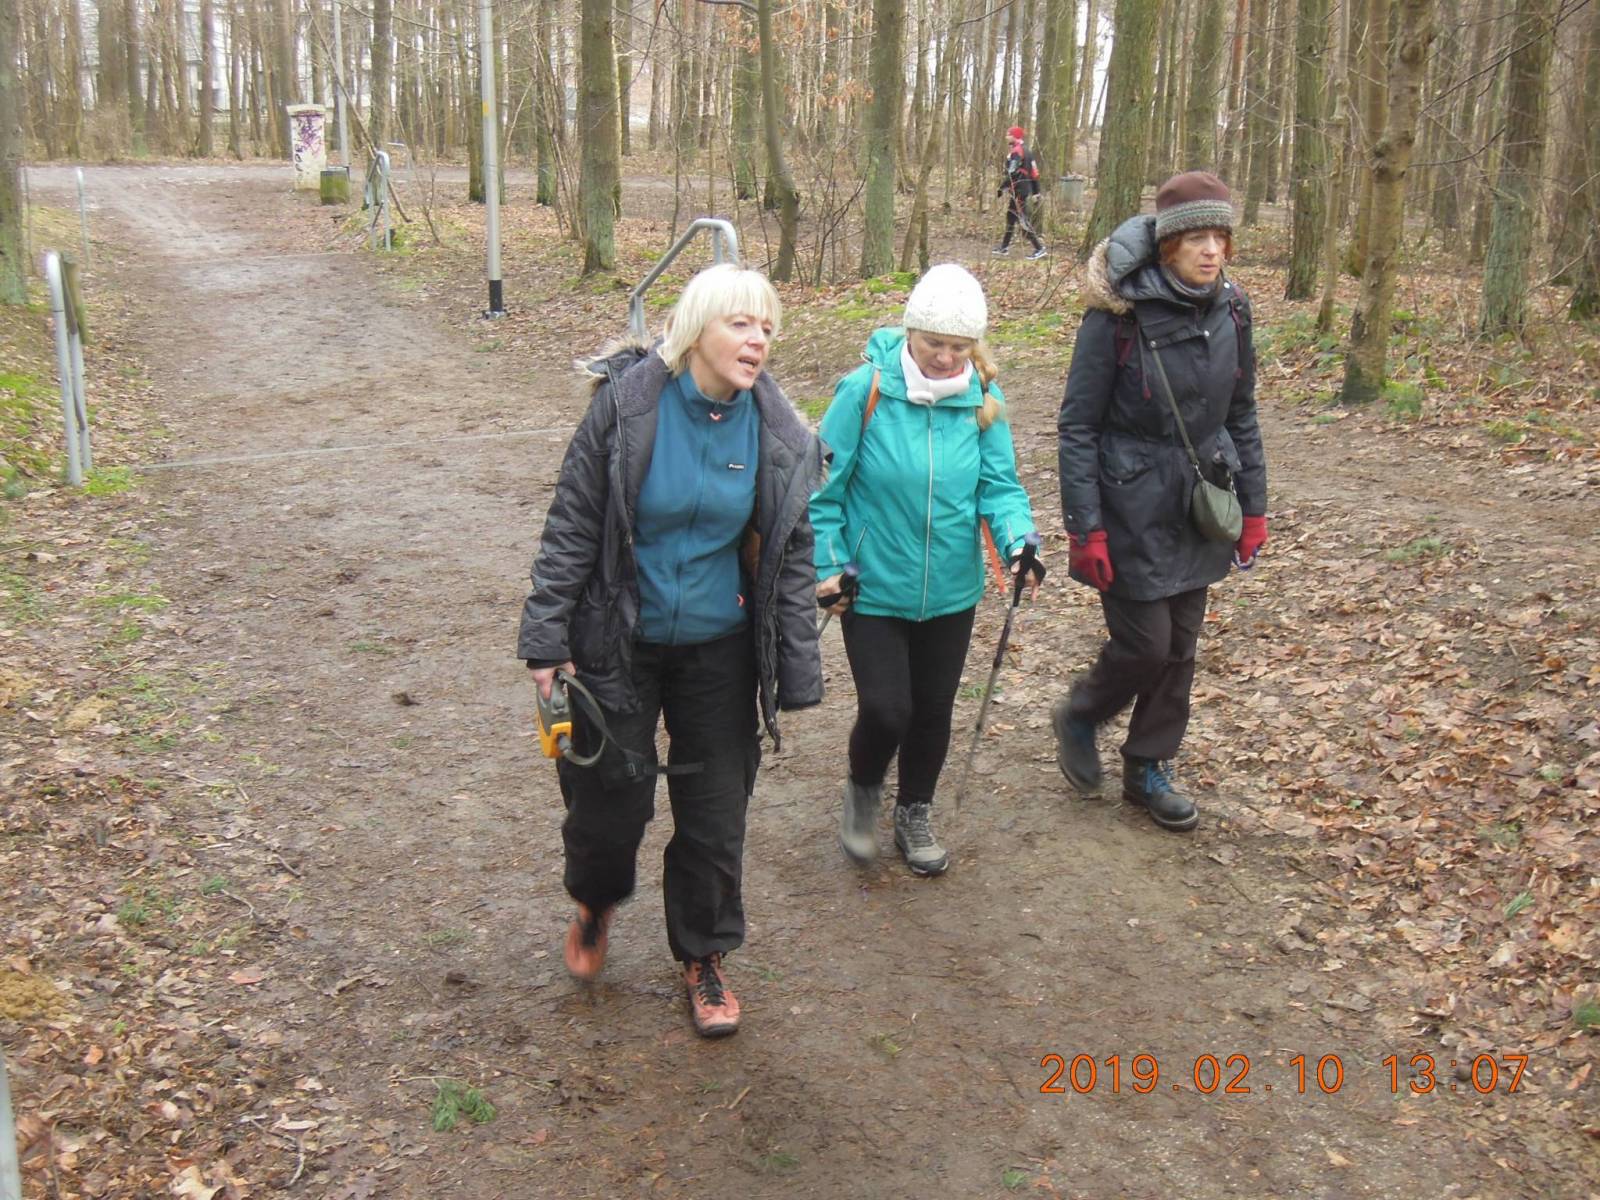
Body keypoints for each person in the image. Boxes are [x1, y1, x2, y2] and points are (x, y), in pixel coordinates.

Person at [517, 263, 824, 1038]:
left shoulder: (778, 433)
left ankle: (704, 953)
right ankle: (595, 900)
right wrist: (546, 637)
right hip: (618, 638)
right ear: (696, 329)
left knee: (716, 813)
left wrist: (795, 666)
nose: (757, 340)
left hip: (720, 649)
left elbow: (791, 553)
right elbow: (572, 524)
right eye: (740, 324)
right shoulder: (627, 410)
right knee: (608, 804)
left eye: (766, 327)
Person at [1051, 171, 1268, 832]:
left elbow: (1241, 412)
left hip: (1202, 497)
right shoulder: (1117, 316)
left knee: (1181, 648)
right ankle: (1083, 712)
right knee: (1146, 643)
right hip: (1129, 502)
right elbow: (1078, 426)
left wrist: (1254, 508)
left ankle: (1148, 766)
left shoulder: (1232, 309)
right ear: (1169, 244)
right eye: (1197, 238)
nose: (1211, 250)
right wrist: (1085, 528)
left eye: (1220, 237)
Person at [810, 263, 1040, 876]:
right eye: (934, 342)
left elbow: (1000, 488)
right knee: (888, 709)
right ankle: (863, 789)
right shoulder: (864, 391)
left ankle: (914, 810)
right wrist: (828, 565)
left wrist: (1019, 543)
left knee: (933, 709)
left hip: (951, 587)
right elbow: (822, 489)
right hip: (871, 583)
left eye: (958, 346)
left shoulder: (983, 401)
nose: (945, 357)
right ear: (910, 331)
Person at [994, 125, 1047, 260]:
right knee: (1011, 217)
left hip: (1019, 190)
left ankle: (1039, 248)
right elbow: (1034, 173)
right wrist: (1036, 192)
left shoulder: (1017, 151)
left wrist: (1002, 188)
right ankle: (1004, 247)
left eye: (1008, 134)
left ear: (1014, 136)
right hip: (1022, 189)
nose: (1006, 137)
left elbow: (1012, 173)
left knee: (1023, 220)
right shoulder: (1027, 151)